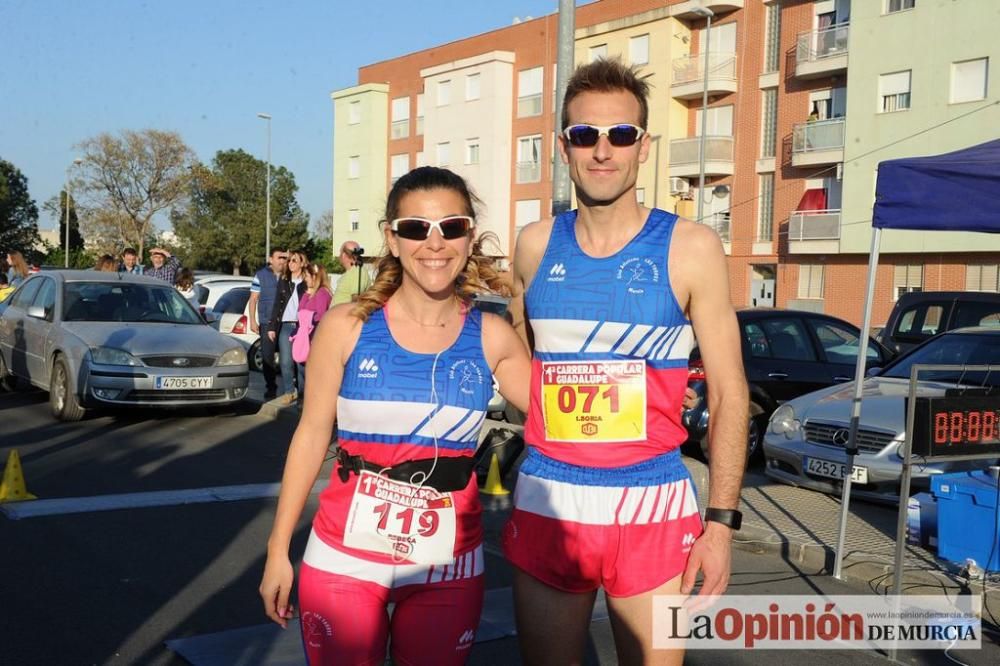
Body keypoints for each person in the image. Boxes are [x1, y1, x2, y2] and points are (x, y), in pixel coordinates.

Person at [503, 59, 749, 665]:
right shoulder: (533, 245)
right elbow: (521, 368)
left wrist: (720, 524)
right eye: (585, 135)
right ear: (565, 147)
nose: (602, 150)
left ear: (644, 147)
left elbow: (730, 392)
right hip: (550, 497)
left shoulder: (692, 248)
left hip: (653, 502)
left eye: (621, 135)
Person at [259, 166, 530, 665]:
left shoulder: (493, 335)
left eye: (451, 227)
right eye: (414, 228)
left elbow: (561, 420)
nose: (435, 244)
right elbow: (311, 434)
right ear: (391, 237)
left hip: (448, 565)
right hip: (343, 556)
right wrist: (278, 549)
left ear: (469, 236)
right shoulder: (347, 326)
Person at [267, 249, 308, 405]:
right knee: (285, 361)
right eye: (289, 260)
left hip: (301, 326)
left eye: (294, 260)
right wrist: (271, 326)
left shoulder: (307, 282)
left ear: (303, 263)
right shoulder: (284, 281)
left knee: (301, 362)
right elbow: (277, 304)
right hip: (285, 325)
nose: (290, 263)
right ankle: (289, 392)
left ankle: (303, 394)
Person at [290, 262, 334, 399]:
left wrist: (307, 318)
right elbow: (300, 311)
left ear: (316, 277)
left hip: (314, 338)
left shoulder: (322, 294)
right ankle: (304, 399)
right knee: (302, 369)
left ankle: (310, 400)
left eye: (308, 276)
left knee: (310, 371)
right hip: (305, 337)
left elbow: (320, 315)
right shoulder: (310, 293)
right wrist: (306, 295)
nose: (305, 279)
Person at [249, 248, 288, 400]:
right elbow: (253, 299)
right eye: (279, 257)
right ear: (271, 259)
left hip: (285, 322)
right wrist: (253, 320)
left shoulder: (289, 275)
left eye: (285, 258)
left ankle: (292, 389)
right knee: (267, 357)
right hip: (266, 321)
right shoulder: (261, 275)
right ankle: (271, 387)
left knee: (288, 358)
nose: (282, 261)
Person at [332, 240, 373, 305]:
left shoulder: (358, 271)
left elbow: (356, 300)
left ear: (344, 255)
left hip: (344, 315)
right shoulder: (350, 273)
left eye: (340, 252)